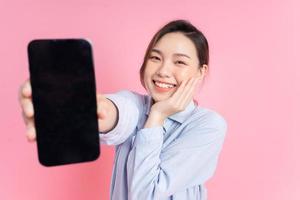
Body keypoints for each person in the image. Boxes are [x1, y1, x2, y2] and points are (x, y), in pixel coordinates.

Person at [19, 19, 227, 200]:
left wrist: (157, 116)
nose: (163, 71)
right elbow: (116, 112)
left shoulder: (208, 125)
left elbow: (146, 195)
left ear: (201, 71)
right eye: (155, 58)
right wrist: (83, 108)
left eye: (180, 61)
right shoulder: (134, 104)